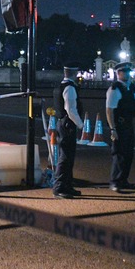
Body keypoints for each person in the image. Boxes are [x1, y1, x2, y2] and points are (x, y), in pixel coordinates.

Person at [106, 62, 135, 193]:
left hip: (128, 123)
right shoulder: (115, 89)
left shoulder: (131, 87)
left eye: (128, 72)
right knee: (119, 154)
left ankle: (123, 180)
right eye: (124, 72)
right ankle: (114, 181)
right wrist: (112, 129)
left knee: (129, 153)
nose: (127, 74)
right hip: (119, 125)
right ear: (118, 74)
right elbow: (109, 110)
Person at [52, 62, 84, 199]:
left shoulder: (60, 86)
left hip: (62, 123)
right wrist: (80, 124)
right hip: (67, 124)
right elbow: (70, 109)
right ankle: (59, 187)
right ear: (74, 73)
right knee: (65, 157)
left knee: (67, 156)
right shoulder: (70, 88)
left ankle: (66, 185)